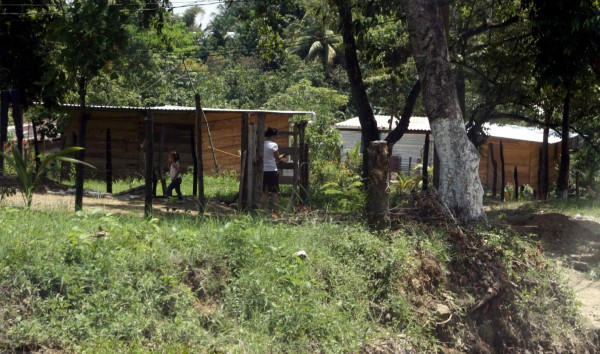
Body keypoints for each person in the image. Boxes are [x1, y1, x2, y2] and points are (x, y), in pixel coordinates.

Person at [262, 127, 286, 211]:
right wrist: (282, 157)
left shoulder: (262, 144)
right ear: (273, 136)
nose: (277, 137)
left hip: (264, 171)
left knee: (265, 192)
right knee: (274, 192)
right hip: (272, 170)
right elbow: (277, 158)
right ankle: (276, 210)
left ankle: (262, 210)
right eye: (276, 136)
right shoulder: (273, 145)